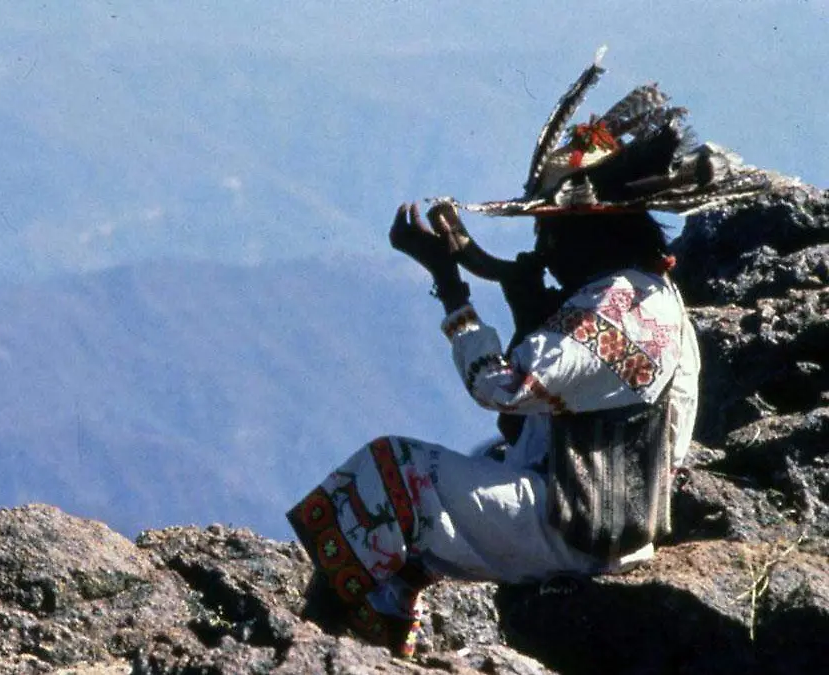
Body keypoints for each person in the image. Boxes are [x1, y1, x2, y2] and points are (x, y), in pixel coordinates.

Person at [287, 49, 792, 657]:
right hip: (613, 523)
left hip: (574, 532)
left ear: (589, 231)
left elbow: (500, 387)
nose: (545, 248)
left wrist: (452, 288)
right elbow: (541, 409)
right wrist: (516, 292)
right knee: (484, 456)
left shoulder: (617, 309)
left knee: (391, 468)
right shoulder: (649, 294)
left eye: (549, 232)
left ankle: (340, 630)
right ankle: (386, 608)